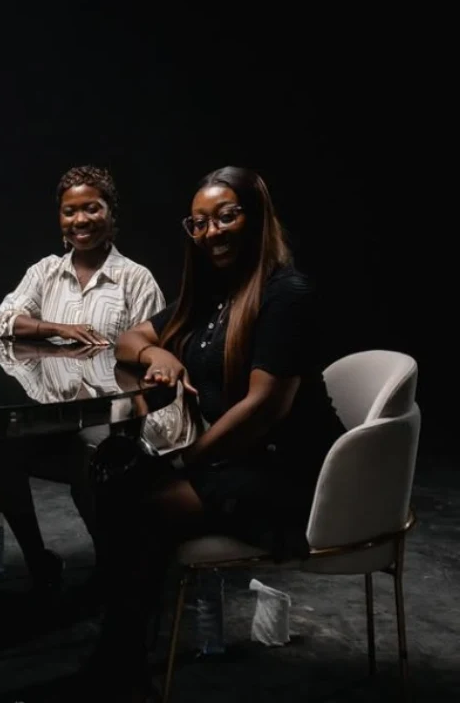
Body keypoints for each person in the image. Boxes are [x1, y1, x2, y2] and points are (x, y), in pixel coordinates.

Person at [91, 166, 345, 701]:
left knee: (141, 504)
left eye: (226, 217)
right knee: (113, 478)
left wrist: (187, 461)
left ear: (256, 217)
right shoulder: (212, 295)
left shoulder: (285, 294)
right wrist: (157, 354)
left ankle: (121, 666)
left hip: (292, 474)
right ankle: (123, 652)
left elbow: (263, 409)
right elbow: (130, 338)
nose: (211, 232)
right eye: (200, 223)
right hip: (238, 461)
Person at [0, 165, 165, 593]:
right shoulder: (45, 272)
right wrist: (55, 328)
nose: (80, 220)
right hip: (55, 420)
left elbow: (154, 357)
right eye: (70, 211)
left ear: (111, 213)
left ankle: (112, 567)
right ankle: (38, 560)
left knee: (90, 451)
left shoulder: (135, 280)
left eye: (92, 208)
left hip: (116, 424)